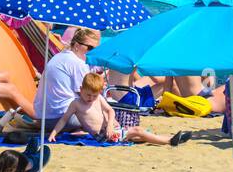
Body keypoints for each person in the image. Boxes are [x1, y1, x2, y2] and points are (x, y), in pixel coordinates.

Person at [51, 73, 189, 146]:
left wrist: (111, 123)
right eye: (88, 95)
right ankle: (170, 141)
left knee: (138, 135)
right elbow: (64, 119)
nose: (91, 98)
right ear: (81, 90)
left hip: (110, 130)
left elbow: (110, 111)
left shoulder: (98, 99)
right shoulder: (76, 104)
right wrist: (53, 133)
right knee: (137, 131)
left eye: (94, 95)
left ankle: (169, 138)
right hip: (103, 136)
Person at [34, 28, 101, 130]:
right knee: (101, 107)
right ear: (77, 46)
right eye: (90, 48)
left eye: (96, 49)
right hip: (60, 119)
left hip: (42, 119)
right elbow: (88, 95)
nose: (92, 52)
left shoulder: (60, 56)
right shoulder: (78, 63)